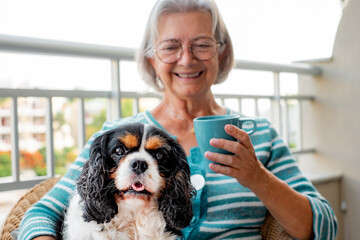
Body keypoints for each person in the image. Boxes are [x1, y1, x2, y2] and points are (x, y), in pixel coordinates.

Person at [18, 0, 337, 239]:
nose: (187, 59)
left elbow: (323, 225)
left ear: (221, 54)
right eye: (171, 47)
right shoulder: (114, 138)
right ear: (151, 59)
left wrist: (257, 177)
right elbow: (41, 214)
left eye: (202, 45)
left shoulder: (259, 135)